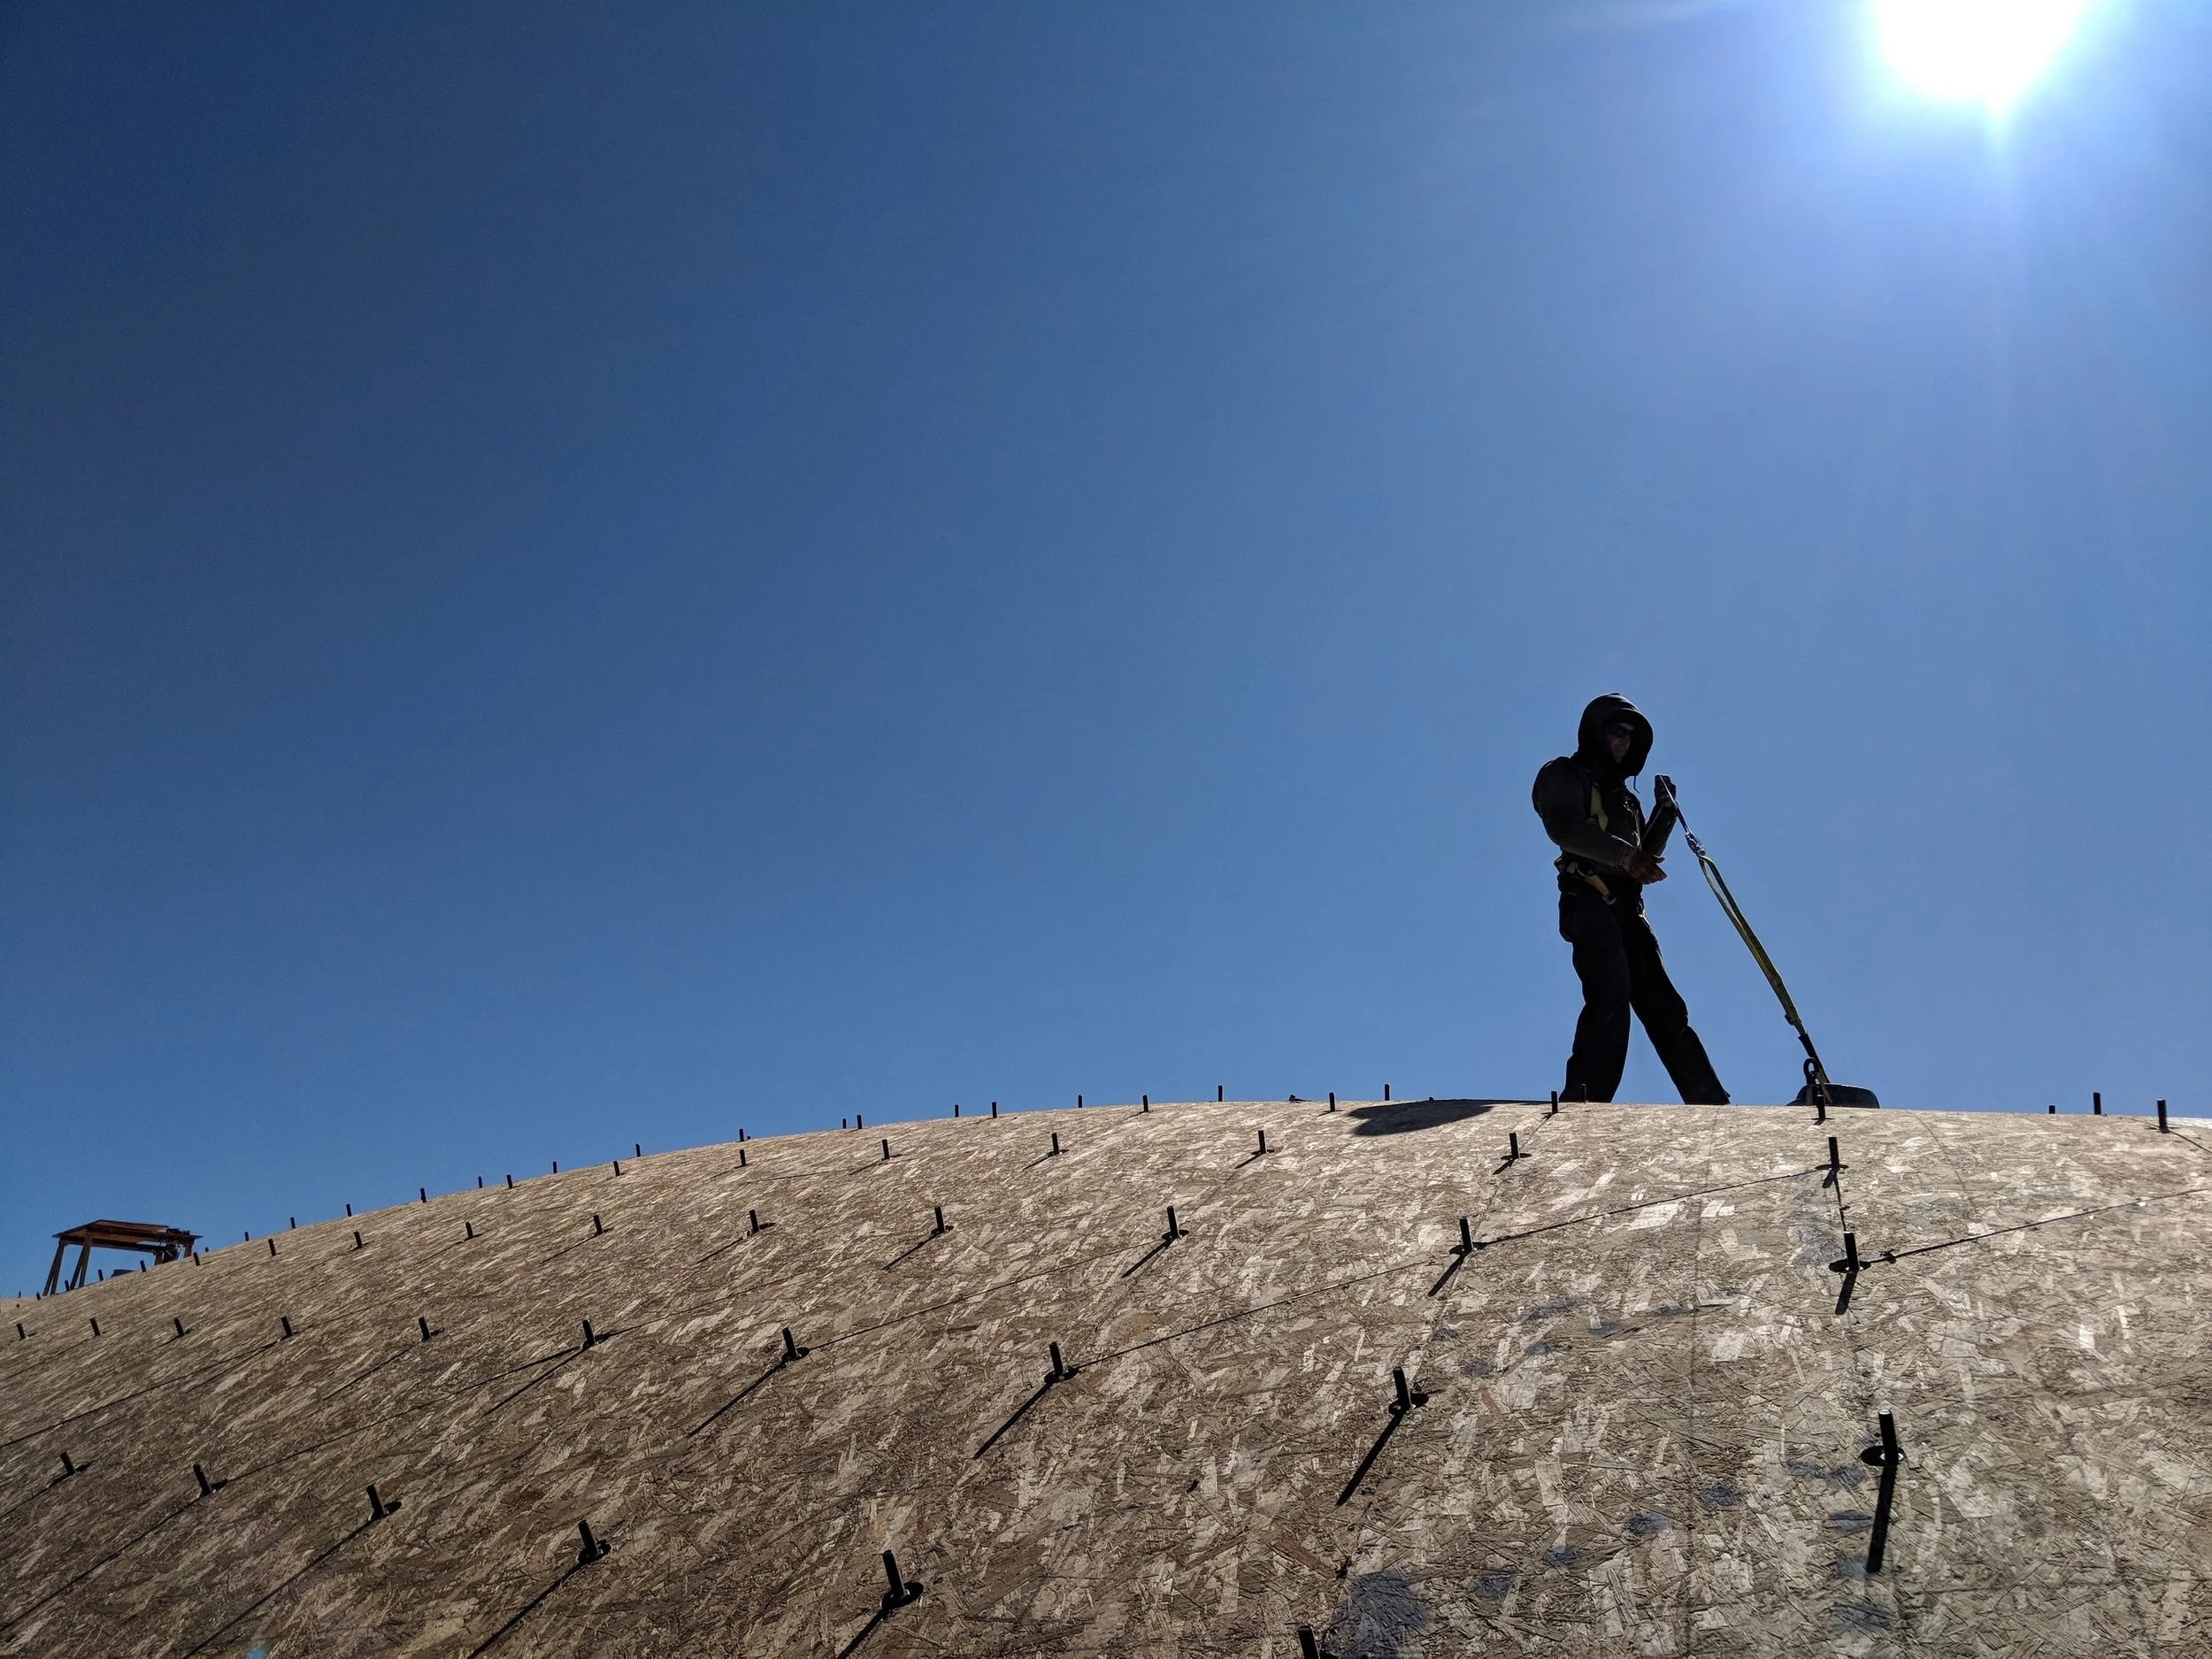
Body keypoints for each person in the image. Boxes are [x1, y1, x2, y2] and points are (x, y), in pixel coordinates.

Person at [1532, 694, 1728, 1105]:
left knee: (1664, 1005)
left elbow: (1643, 854)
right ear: (1595, 731)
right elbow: (1565, 828)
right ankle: (1585, 1102)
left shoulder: (1626, 800)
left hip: (1628, 909)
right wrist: (1628, 858)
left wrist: (1665, 813)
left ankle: (1711, 1103)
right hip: (1588, 898)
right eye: (1616, 731)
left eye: (1631, 736)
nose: (1624, 741)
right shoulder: (1563, 774)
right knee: (1610, 991)